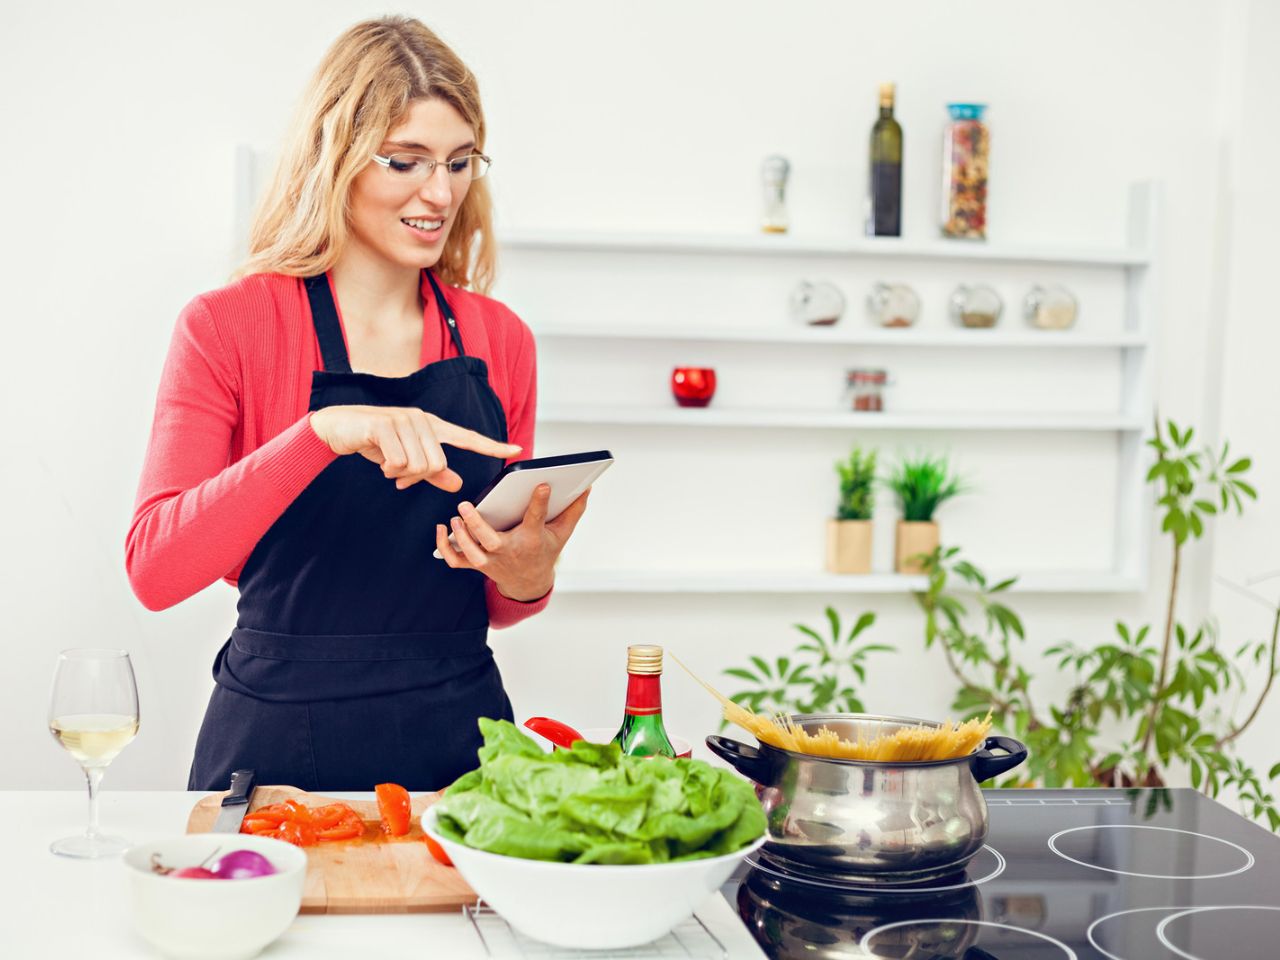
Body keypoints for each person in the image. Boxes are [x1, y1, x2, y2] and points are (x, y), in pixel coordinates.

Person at [125, 16, 587, 791]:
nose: (439, 193)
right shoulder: (226, 327)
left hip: (462, 747)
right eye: (406, 161)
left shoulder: (499, 339)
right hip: (275, 746)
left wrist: (528, 573)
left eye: (460, 162)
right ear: (334, 160)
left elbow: (501, 603)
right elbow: (155, 569)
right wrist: (322, 433)